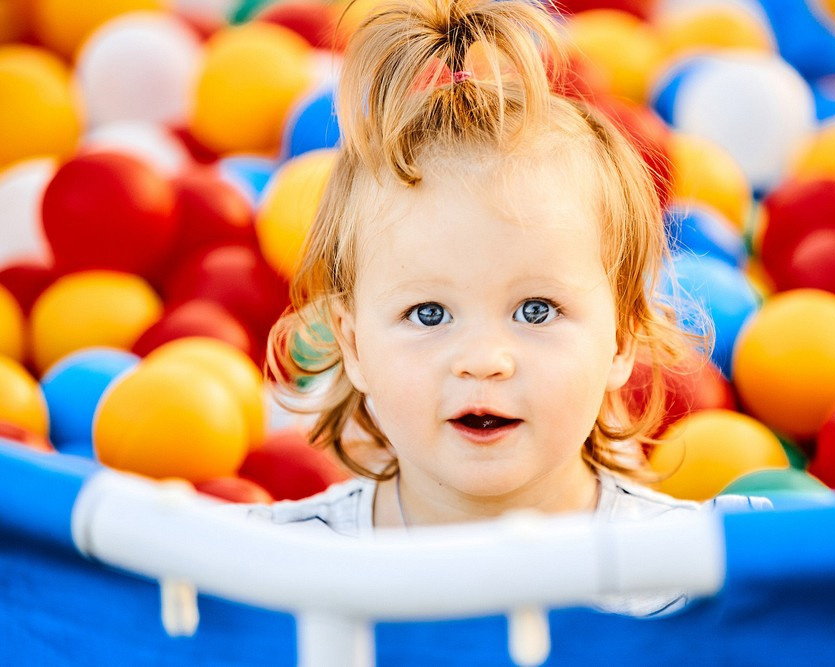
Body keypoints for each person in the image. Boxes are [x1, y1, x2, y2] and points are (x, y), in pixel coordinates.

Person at [239, 0, 769, 616]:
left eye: (536, 310)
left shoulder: (697, 583)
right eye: (429, 314)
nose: (484, 360)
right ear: (353, 347)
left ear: (621, 339)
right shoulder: (279, 576)